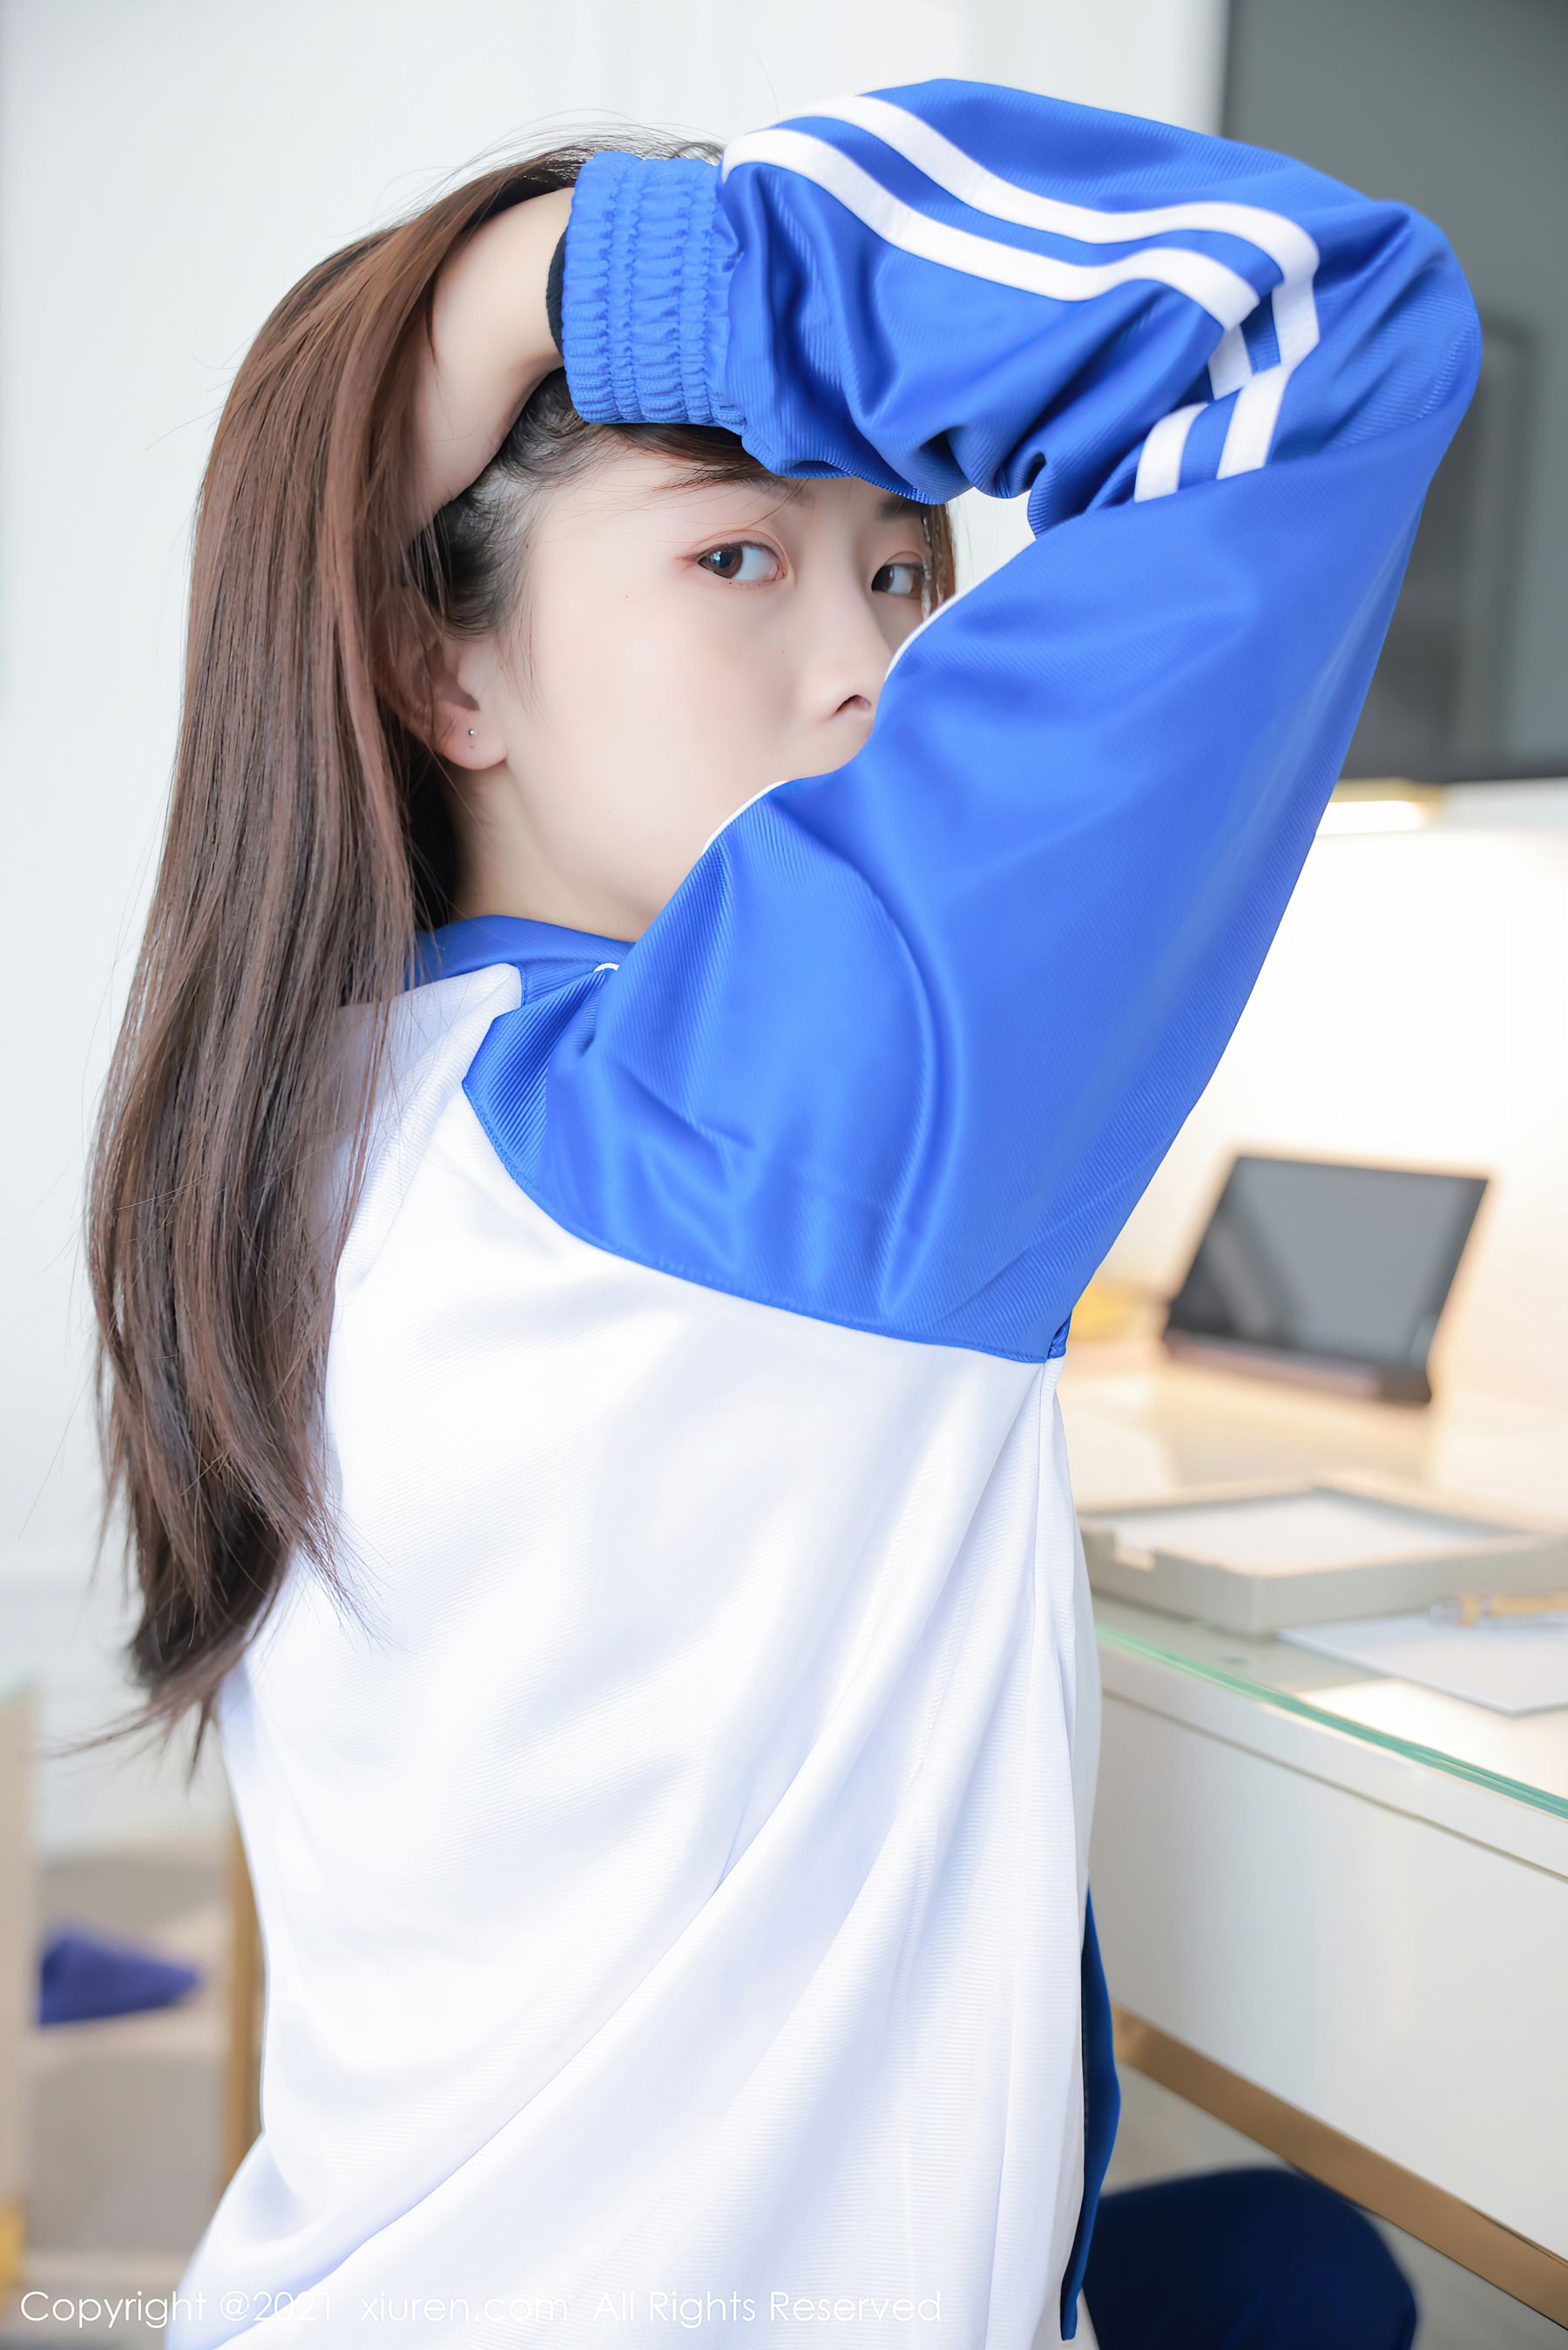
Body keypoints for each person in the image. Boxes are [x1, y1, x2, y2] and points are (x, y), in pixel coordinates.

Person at [80, 71, 1471, 2349]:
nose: (867, 669)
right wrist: (537, 281)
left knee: (1292, 2268)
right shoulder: (751, 1112)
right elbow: (1303, 323)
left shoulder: (304, 1112)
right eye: (737, 558)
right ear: (445, 664)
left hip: (359, 2286)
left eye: (907, 572)